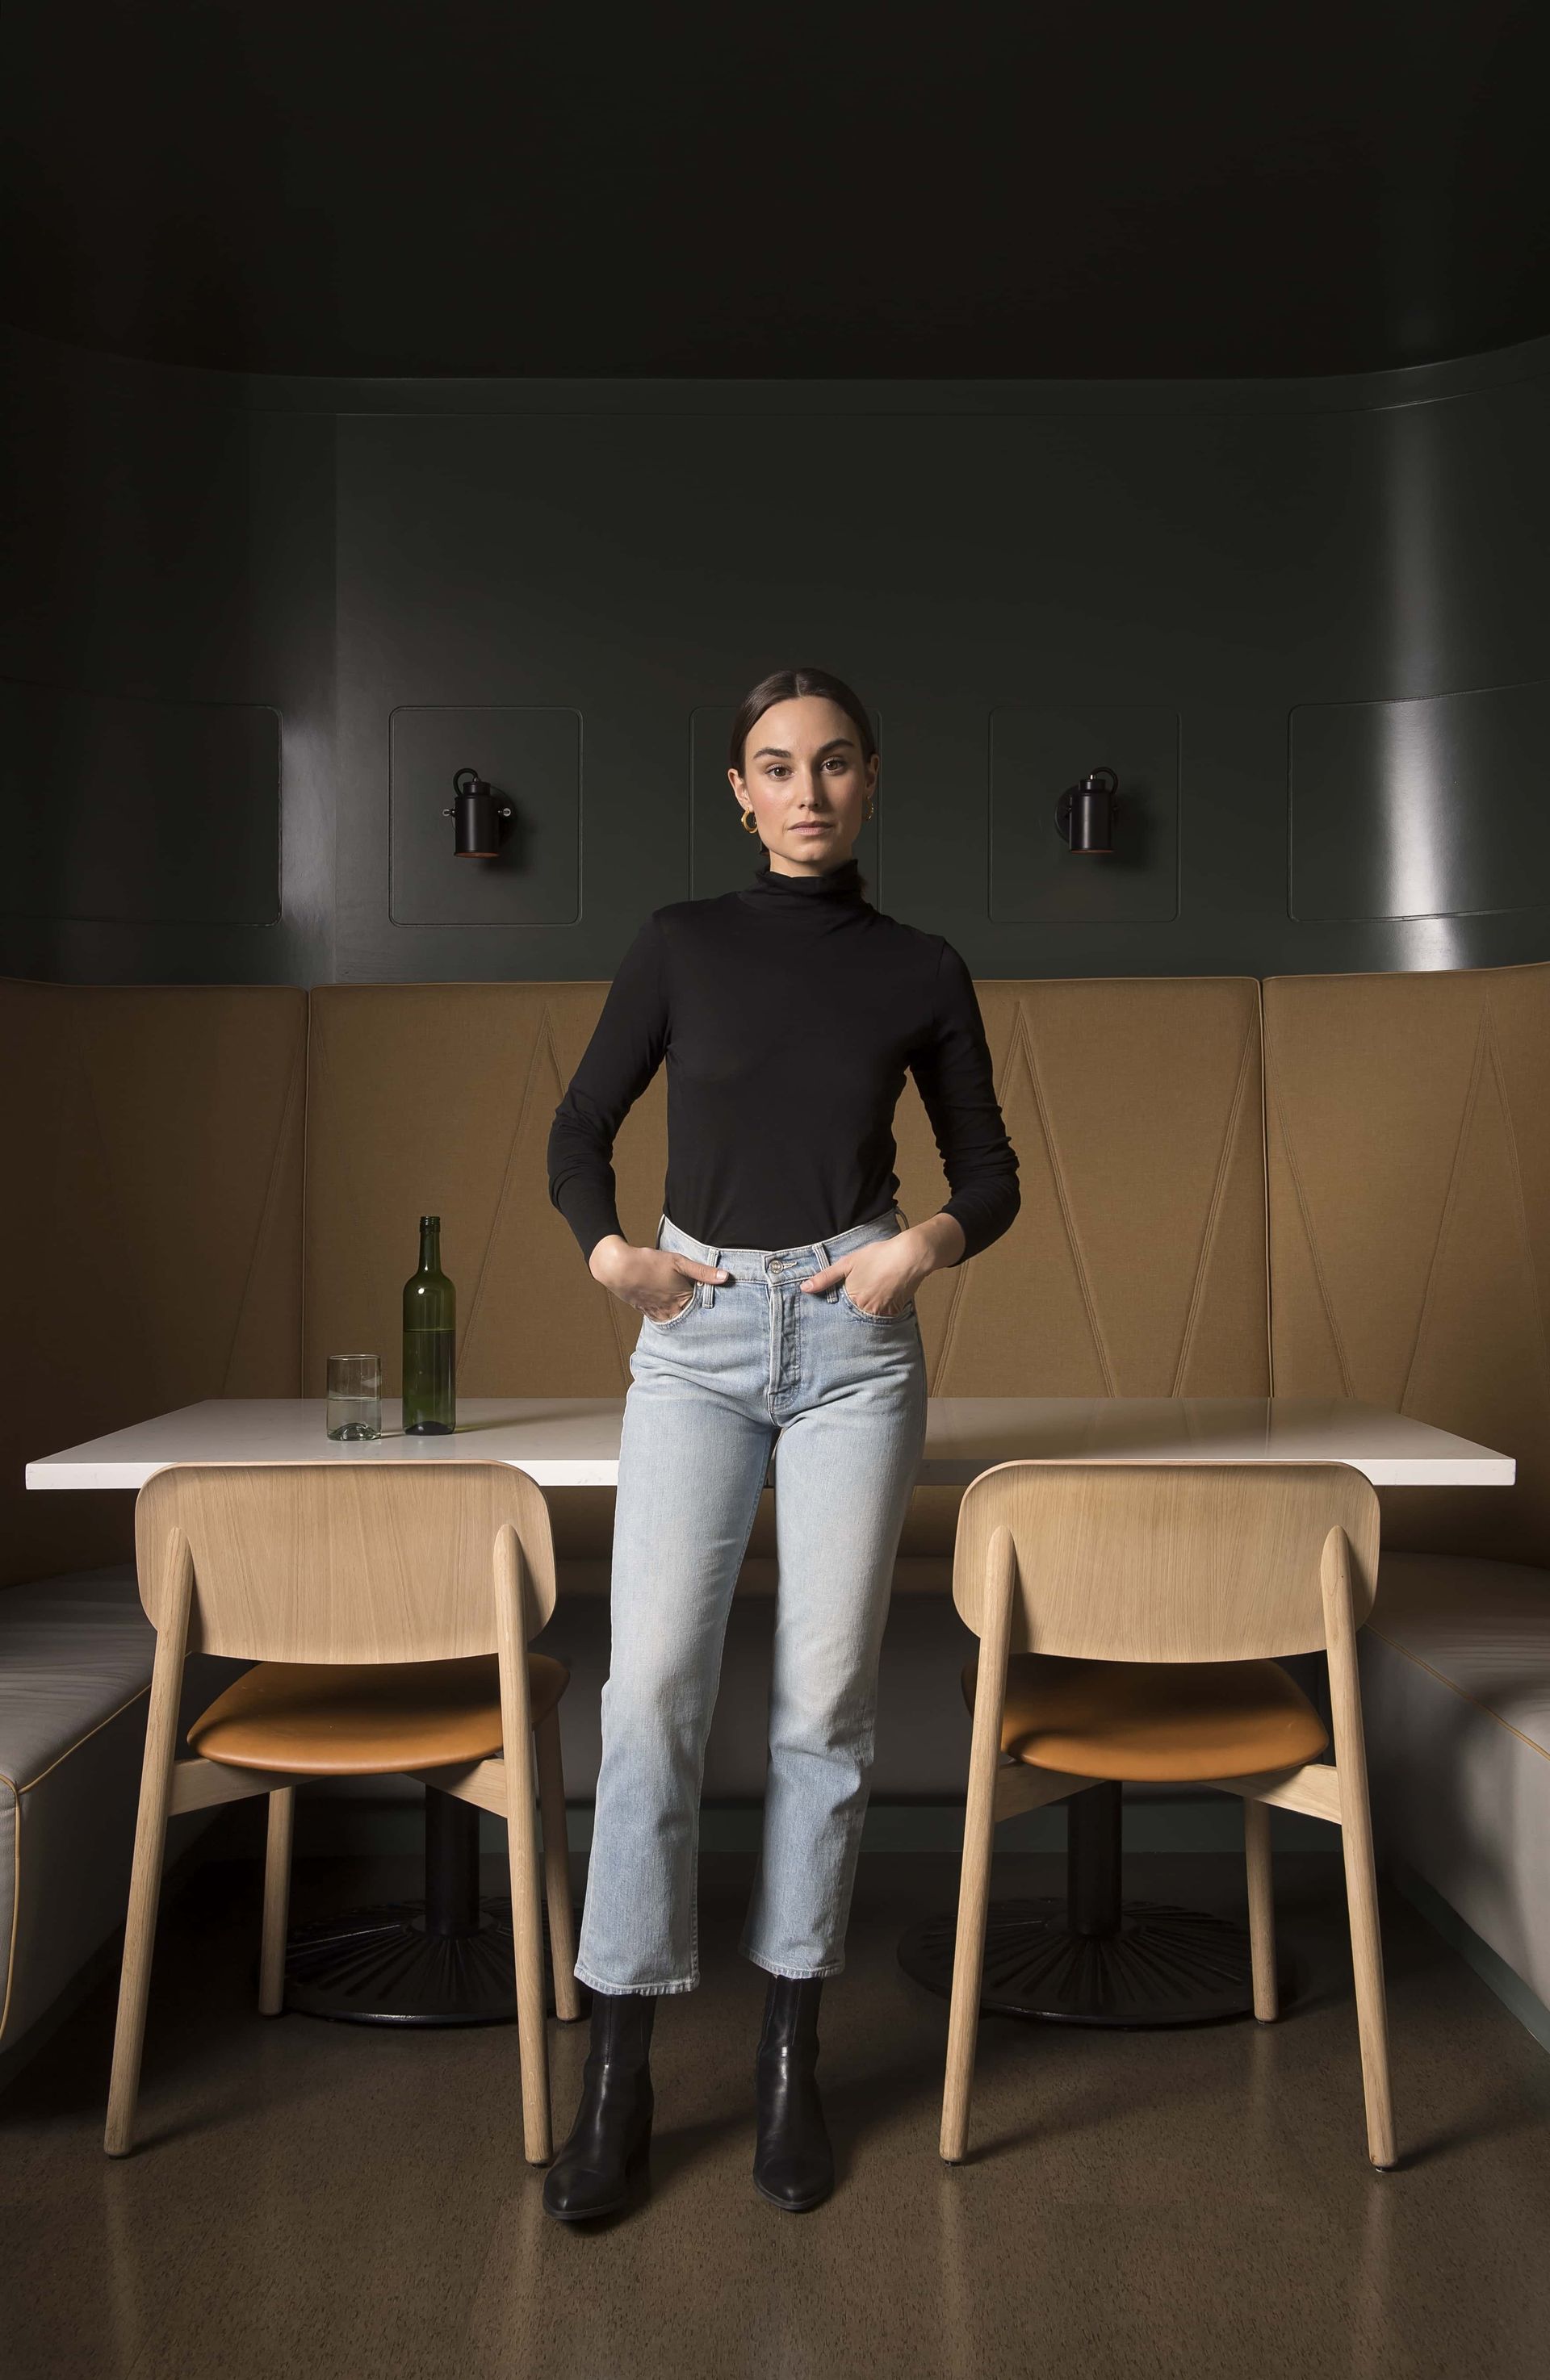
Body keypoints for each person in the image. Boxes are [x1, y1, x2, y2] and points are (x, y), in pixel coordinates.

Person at [542, 665, 1020, 2219]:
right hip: (696, 1340)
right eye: (773, 768)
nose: (804, 791)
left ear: (872, 781)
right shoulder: (681, 944)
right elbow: (578, 1128)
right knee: (654, 1694)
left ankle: (788, 2057)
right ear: (740, 795)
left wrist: (924, 1246)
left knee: (825, 1701)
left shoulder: (923, 966)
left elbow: (992, 1170)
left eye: (830, 764)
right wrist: (613, 1257)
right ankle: (615, 2067)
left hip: (855, 1343)